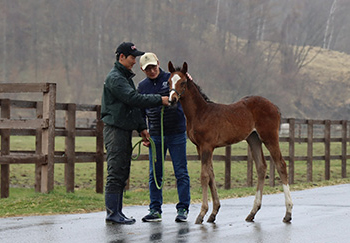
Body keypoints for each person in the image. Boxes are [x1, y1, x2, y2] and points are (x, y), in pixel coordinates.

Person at [101, 43, 169, 225]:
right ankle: (112, 212)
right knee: (116, 170)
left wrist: (141, 128)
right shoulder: (116, 78)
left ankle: (118, 211)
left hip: (124, 129)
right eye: (132, 57)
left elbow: (132, 107)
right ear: (122, 57)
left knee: (123, 170)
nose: (134, 61)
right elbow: (133, 99)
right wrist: (159, 100)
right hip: (115, 130)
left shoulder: (124, 78)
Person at [137, 52, 191, 222]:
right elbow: (140, 111)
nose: (152, 71)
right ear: (142, 70)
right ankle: (155, 209)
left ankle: (183, 209)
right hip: (155, 135)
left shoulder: (171, 78)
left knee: (180, 171)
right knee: (155, 174)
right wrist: (143, 131)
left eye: (153, 66)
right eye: (147, 69)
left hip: (176, 132)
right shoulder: (142, 87)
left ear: (158, 63)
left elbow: (186, 86)